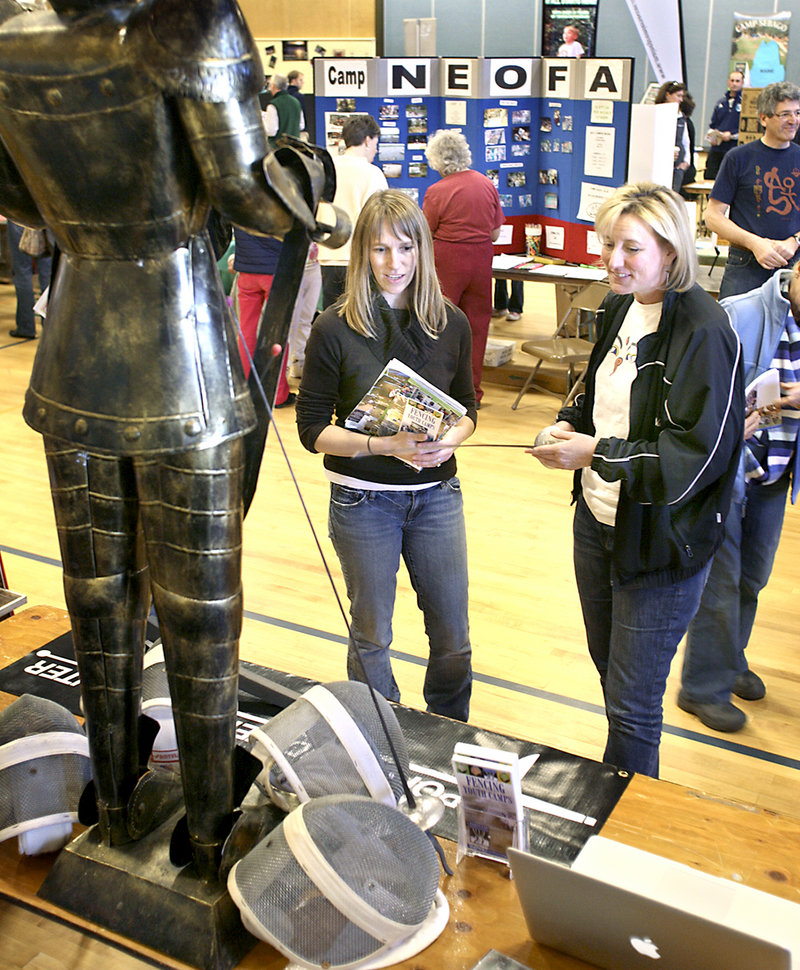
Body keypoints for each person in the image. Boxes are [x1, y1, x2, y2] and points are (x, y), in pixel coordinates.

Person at [0, 0, 330, 882]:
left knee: (98, 602)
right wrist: (309, 165)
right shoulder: (187, 23)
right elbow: (255, 201)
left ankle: (111, 813)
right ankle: (210, 838)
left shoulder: (12, 34)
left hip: (74, 356)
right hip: (178, 359)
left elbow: (13, 189)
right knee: (200, 614)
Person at [528, 182, 743, 778]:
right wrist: (565, 424)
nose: (612, 261)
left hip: (659, 544)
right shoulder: (619, 308)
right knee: (613, 677)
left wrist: (596, 453)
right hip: (595, 523)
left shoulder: (705, 332)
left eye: (631, 249)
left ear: (671, 252)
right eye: (607, 245)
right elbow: (597, 397)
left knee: (632, 709)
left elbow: (692, 462)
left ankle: (622, 840)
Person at [296, 190, 477, 722]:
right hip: (363, 501)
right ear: (361, 255)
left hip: (437, 496)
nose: (392, 263)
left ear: (421, 251)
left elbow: (468, 407)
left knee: (452, 635)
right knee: (372, 634)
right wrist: (380, 446)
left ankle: (447, 727)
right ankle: (379, 731)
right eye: (378, 250)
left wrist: (455, 437)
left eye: (404, 248)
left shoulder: (452, 324)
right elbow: (311, 430)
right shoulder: (334, 327)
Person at [679, 264, 800, 732]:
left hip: (777, 471)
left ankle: (728, 660)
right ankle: (702, 687)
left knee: (753, 577)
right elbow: (696, 391)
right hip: (728, 475)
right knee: (721, 581)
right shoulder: (739, 313)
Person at [424, 129, 504, 406]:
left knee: (439, 323)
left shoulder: (436, 191)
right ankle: (473, 392)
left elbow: (426, 232)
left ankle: (440, 390)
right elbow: (495, 233)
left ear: (436, 160)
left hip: (447, 259)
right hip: (482, 259)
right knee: (477, 326)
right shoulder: (485, 183)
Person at [705, 81, 800, 301]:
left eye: (797, 112)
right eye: (785, 114)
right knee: (738, 333)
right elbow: (713, 217)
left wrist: (794, 240)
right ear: (763, 118)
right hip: (745, 264)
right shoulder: (738, 158)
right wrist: (755, 243)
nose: (793, 120)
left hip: (794, 263)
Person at [317, 114, 387, 310]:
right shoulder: (372, 174)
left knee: (331, 319)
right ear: (367, 140)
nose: (376, 148)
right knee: (361, 317)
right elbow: (379, 220)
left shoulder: (325, 168)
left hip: (326, 257)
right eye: (375, 142)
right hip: (359, 259)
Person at [5, 219, 52, 339]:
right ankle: (50, 326)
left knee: (22, 272)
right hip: (45, 217)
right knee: (48, 275)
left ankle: (26, 327)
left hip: (19, 217)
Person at [704, 70, 744, 180]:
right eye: (732, 81)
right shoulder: (721, 103)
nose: (734, 83)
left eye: (737, 81)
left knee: (729, 177)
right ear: (728, 82)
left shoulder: (745, 103)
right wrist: (712, 136)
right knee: (710, 176)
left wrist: (731, 135)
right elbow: (713, 125)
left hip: (734, 147)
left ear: (742, 83)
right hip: (717, 147)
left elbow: (747, 129)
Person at [654, 81, 692, 194]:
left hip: (677, 167)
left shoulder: (681, 117)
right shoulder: (656, 113)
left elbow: (686, 141)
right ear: (667, 94)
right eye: (678, 96)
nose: (680, 100)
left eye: (682, 96)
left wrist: (686, 161)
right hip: (660, 166)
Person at [263, 73, 302, 147]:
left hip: (278, 150)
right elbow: (301, 125)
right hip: (295, 150)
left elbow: (271, 131)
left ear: (274, 86)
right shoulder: (296, 102)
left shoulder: (273, 105)